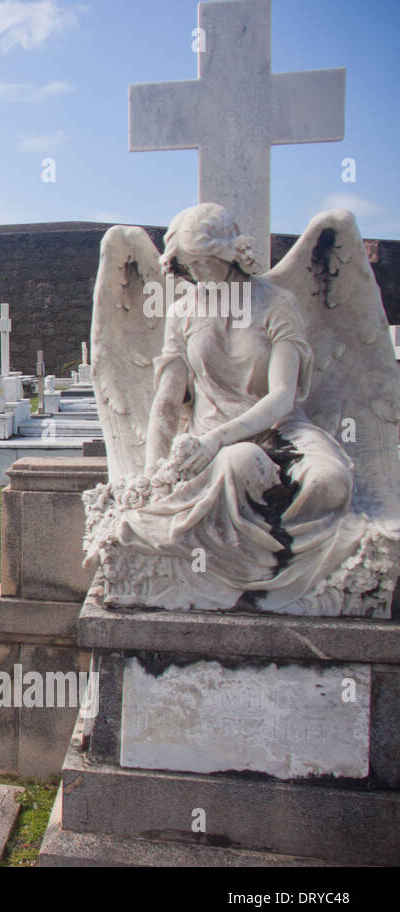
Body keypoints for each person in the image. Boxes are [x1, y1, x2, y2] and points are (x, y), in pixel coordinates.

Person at [115, 203, 354, 610]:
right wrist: (153, 473)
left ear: (230, 253)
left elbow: (281, 397)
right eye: (189, 266)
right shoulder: (183, 312)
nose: (198, 275)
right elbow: (168, 401)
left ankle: (307, 581)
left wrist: (213, 441)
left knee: (330, 482)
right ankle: (244, 581)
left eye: (207, 262)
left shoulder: (277, 304)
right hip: (218, 442)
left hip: (280, 430)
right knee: (237, 463)